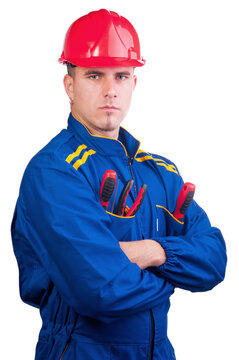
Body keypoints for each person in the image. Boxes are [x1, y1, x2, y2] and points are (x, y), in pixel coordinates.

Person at [11, 8, 227, 360]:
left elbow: (214, 260)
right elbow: (99, 291)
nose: (111, 90)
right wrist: (177, 275)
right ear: (70, 84)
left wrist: (151, 252)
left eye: (122, 76)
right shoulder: (54, 172)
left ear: (134, 83)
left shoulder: (159, 171)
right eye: (95, 76)